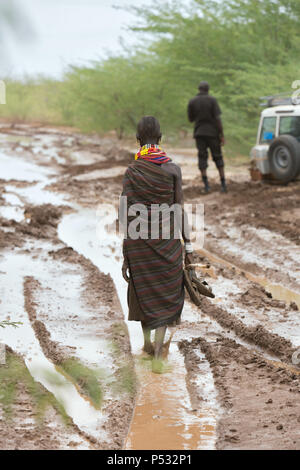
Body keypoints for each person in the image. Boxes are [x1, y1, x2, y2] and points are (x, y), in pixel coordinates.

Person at [120, 116, 194, 372]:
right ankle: (160, 352)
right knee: (165, 293)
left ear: (138, 139)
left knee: (144, 291)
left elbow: (124, 214)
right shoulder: (173, 169)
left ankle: (148, 344)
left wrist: (126, 252)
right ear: (160, 138)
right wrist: (189, 246)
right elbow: (179, 209)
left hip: (139, 243)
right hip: (167, 242)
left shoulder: (132, 171)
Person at [188, 81, 227, 193]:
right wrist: (222, 135)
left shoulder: (192, 101)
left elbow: (190, 119)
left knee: (202, 157)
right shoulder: (212, 100)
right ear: (208, 89)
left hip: (199, 133)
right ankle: (223, 185)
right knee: (218, 156)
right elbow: (218, 119)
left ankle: (206, 186)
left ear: (198, 89)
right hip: (213, 133)